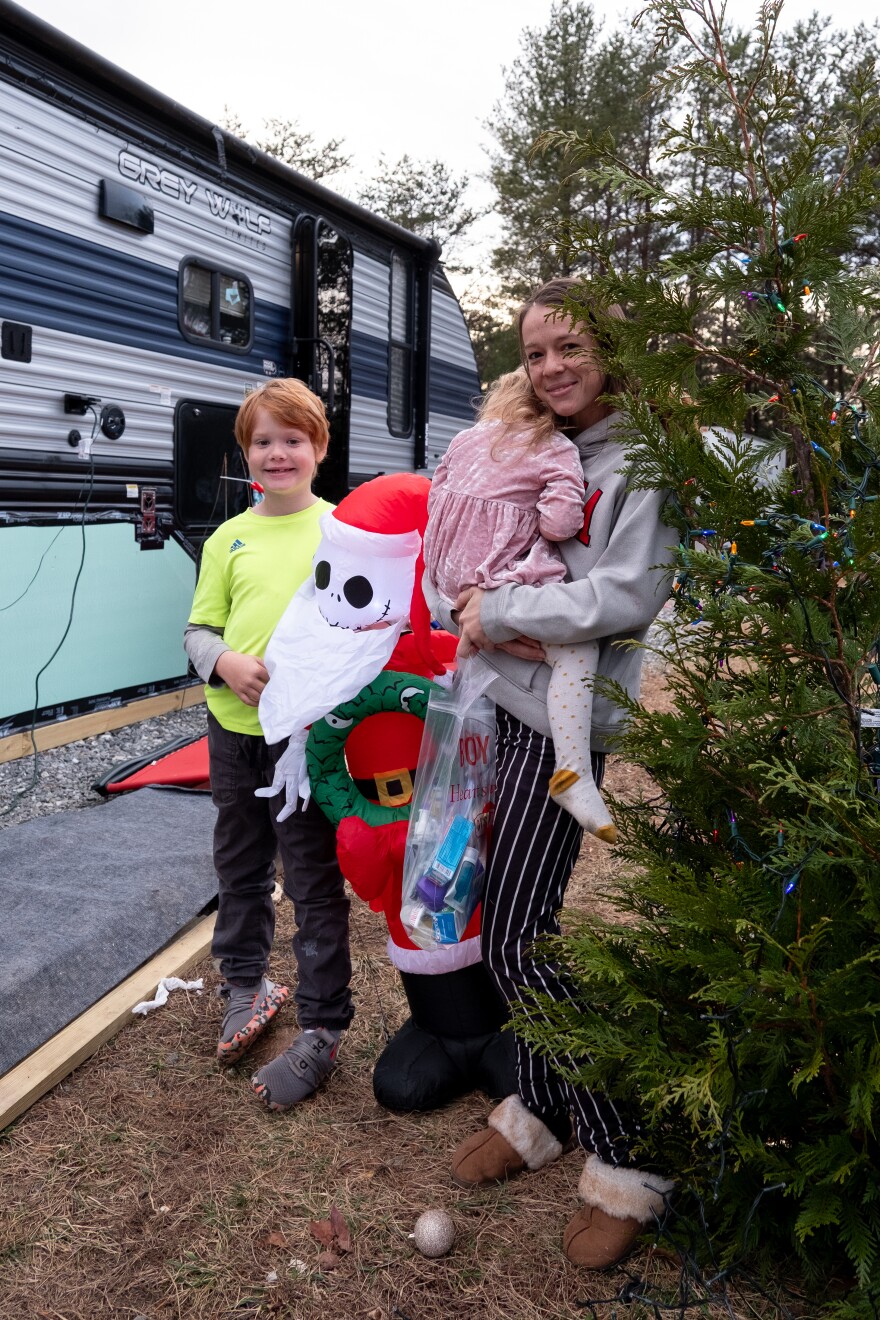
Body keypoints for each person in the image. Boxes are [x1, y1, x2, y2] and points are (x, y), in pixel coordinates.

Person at [423, 278, 675, 1270]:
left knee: (521, 941)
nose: (551, 369)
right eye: (534, 354)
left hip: (560, 728)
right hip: (499, 703)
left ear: (610, 346)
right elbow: (479, 542)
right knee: (497, 925)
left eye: (568, 348)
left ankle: (628, 1157)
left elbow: (627, 590)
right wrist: (467, 605)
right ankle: (535, 1109)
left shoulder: (640, 456)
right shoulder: (532, 440)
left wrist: (505, 616)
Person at [183, 378, 353, 1112]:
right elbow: (198, 631)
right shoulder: (229, 538)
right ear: (244, 454)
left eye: (293, 439)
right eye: (262, 441)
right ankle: (245, 987)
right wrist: (223, 662)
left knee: (313, 881)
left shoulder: (345, 532)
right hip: (235, 736)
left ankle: (322, 1027)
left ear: (319, 447)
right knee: (241, 867)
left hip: (307, 744)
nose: (277, 453)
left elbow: (365, 630)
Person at [423, 368, 616, 842]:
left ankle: (474, 640)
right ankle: (574, 773)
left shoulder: (468, 437)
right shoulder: (556, 448)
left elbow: (436, 494)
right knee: (576, 650)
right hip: (494, 576)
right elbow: (559, 523)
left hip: (448, 576)